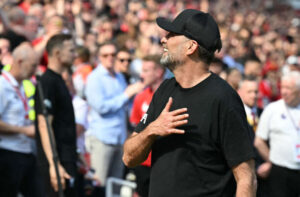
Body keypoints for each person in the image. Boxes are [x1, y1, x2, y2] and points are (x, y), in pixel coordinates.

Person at [123, 9, 256, 197]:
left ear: (191, 47)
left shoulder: (223, 98)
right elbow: (128, 157)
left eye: (171, 35)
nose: (163, 39)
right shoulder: (164, 90)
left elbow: (246, 177)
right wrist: (152, 130)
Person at [85, 41, 145, 188]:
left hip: (119, 138)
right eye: (106, 55)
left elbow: (125, 107)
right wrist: (126, 95)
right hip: (102, 138)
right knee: (99, 185)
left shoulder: (118, 77)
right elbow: (101, 107)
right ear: (99, 57)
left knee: (115, 186)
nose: (110, 58)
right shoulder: (95, 78)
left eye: (113, 55)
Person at [34, 34, 78, 197]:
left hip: (67, 157)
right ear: (58, 54)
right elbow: (44, 123)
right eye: (71, 50)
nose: (75, 55)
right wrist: (54, 164)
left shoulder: (59, 80)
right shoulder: (47, 81)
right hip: (56, 162)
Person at [0, 43, 41, 196]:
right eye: (32, 66)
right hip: (7, 152)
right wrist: (24, 130)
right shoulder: (2, 86)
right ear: (19, 62)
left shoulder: (23, 85)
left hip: (25, 150)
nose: (34, 71)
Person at [254, 71, 300, 197]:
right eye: (282, 87)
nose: (284, 91)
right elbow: (259, 141)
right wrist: (271, 160)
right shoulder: (272, 109)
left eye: (289, 88)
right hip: (280, 171)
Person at [130, 55, 165, 197]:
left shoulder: (173, 96)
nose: (141, 74)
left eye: (146, 70)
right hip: (143, 161)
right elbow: (135, 127)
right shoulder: (140, 97)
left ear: (159, 72)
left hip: (164, 161)